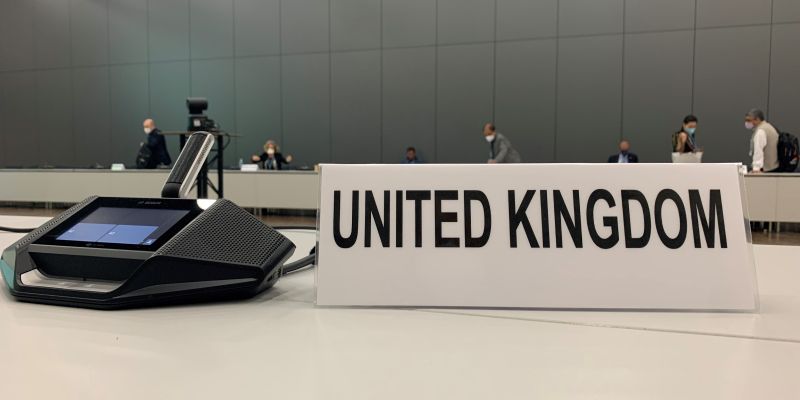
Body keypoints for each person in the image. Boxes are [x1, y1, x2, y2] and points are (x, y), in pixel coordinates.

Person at [744, 108, 779, 173]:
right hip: (774, 167)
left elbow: (758, 150)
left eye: (749, 120)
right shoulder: (768, 127)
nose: (746, 123)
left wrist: (756, 168)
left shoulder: (761, 131)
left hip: (766, 169)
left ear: (757, 119)